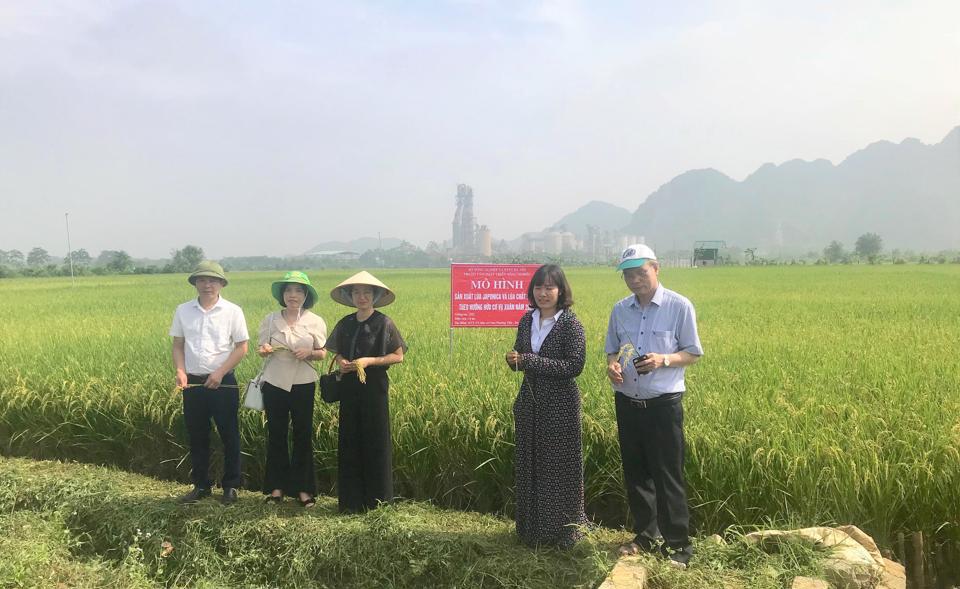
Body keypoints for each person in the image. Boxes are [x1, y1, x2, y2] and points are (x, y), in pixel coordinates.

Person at [605, 244, 703, 568]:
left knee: (667, 474)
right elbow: (612, 350)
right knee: (636, 473)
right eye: (628, 275)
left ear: (656, 268)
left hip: (663, 405)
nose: (634, 280)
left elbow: (692, 352)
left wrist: (663, 359)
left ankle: (680, 545)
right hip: (628, 402)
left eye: (640, 272)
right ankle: (646, 536)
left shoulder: (679, 306)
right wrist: (613, 366)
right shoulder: (620, 310)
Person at [505, 264, 588, 548]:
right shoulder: (527, 321)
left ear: (561, 291)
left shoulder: (571, 324)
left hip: (560, 405)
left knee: (558, 467)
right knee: (530, 463)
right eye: (538, 287)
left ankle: (563, 532)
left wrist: (529, 361)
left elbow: (574, 366)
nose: (543, 293)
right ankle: (530, 530)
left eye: (550, 287)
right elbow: (521, 355)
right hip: (529, 402)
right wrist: (515, 360)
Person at [325, 271, 406, 513]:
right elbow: (336, 351)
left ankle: (378, 503)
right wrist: (341, 362)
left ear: (375, 296)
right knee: (349, 440)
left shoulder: (384, 323)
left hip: (374, 388)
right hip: (349, 388)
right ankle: (351, 503)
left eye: (367, 293)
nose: (362, 297)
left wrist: (369, 361)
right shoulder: (345, 323)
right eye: (357, 293)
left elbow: (398, 356)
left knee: (376, 441)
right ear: (350, 297)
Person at [170, 260, 249, 505]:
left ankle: (231, 486)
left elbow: (242, 347)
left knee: (229, 435)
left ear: (221, 284)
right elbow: (178, 345)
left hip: (223, 383)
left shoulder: (232, 311)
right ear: (195, 283)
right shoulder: (183, 310)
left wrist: (219, 372)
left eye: (212, 280)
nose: (207, 285)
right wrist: (181, 371)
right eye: (202, 280)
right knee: (197, 435)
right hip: (192, 384)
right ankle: (201, 485)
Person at [256, 271, 327, 507]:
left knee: (302, 435)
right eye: (288, 290)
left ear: (306, 295)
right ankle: (276, 489)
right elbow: (261, 347)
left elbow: (323, 353)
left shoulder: (315, 321)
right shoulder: (270, 320)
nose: (293, 295)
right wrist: (264, 349)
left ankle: (304, 490)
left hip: (303, 383)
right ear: (282, 295)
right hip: (275, 382)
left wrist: (310, 352)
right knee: (276, 434)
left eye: (298, 290)